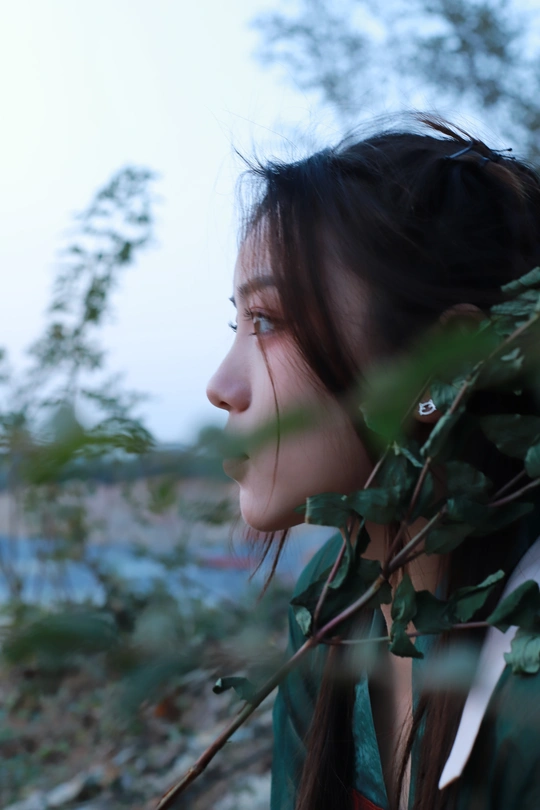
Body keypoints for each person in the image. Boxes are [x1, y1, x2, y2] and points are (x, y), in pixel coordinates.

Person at [206, 115, 540, 810]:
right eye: (236, 323)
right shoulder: (331, 600)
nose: (220, 385)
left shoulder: (526, 673)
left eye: (267, 322)